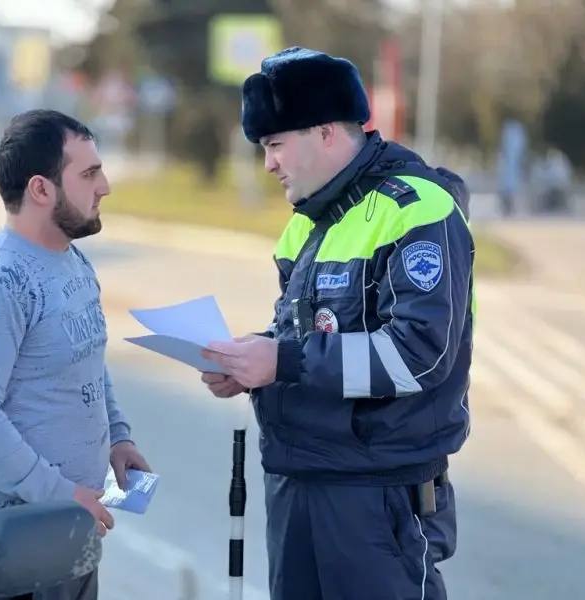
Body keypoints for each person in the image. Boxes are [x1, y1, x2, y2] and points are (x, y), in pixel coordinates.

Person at [202, 48, 473, 600]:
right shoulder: (306, 225)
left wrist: (283, 360)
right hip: (298, 481)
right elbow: (306, 339)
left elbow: (419, 355)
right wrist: (255, 358)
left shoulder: (418, 208)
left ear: (325, 132)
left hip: (377, 498)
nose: (269, 164)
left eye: (275, 145)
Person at [0, 109, 150, 599]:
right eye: (88, 173)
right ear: (40, 189)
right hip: (13, 551)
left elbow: (89, 361)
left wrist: (118, 438)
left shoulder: (72, 261)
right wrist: (62, 497)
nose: (105, 186)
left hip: (68, 535)